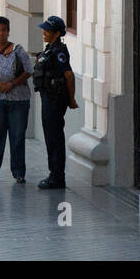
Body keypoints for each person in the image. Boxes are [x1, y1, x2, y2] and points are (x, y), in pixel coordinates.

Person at [0, 15, 32, 184]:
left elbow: (28, 70)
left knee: (17, 136)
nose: (1, 34)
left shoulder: (18, 51)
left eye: (4, 30)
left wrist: (12, 84)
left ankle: (19, 173)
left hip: (18, 101)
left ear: (8, 32)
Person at [32, 15, 78, 189]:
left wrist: (71, 99)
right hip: (48, 98)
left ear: (57, 33)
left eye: (48, 30)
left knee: (54, 138)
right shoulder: (50, 49)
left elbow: (68, 75)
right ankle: (55, 174)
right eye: (44, 29)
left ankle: (57, 176)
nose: (44, 32)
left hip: (54, 100)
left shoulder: (59, 52)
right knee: (50, 137)